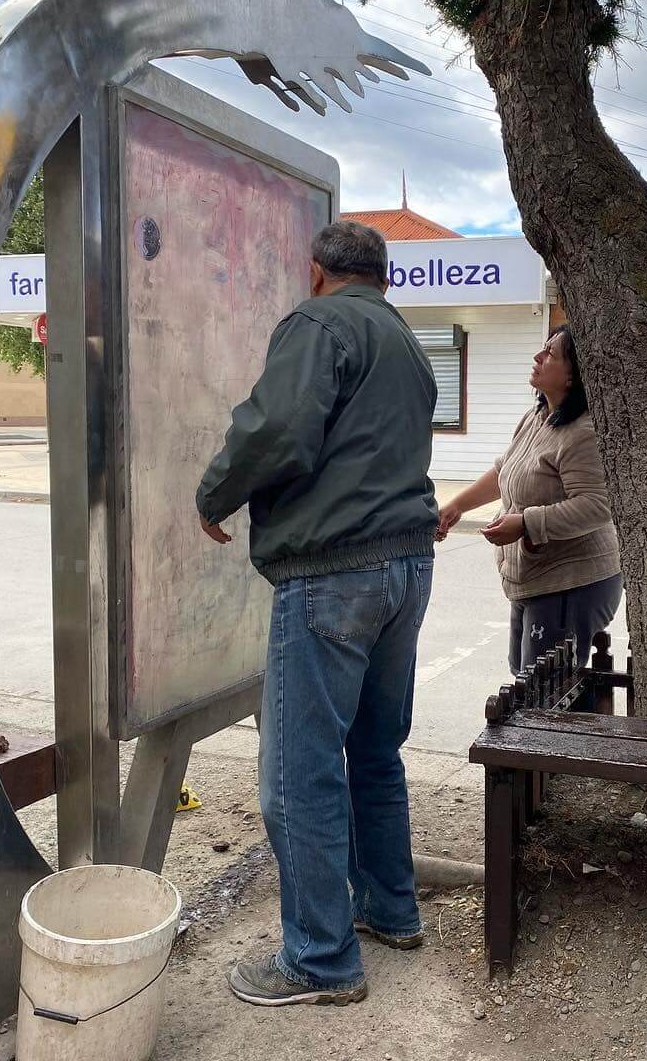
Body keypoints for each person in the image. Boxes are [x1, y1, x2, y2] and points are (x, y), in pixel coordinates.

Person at [196, 220, 438, 1007]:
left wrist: (214, 493)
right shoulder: (404, 339)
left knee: (299, 775)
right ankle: (390, 910)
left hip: (334, 570)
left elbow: (278, 428)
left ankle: (320, 960)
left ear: (316, 271)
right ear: (383, 275)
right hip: (407, 564)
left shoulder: (319, 322)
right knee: (374, 751)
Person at [437, 325, 621, 674]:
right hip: (534, 579)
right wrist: (456, 506)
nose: (538, 357)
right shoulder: (537, 417)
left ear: (573, 375)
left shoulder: (583, 433)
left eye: (551, 354)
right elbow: (505, 469)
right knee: (528, 683)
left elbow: (597, 505)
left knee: (545, 690)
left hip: (571, 582)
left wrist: (526, 523)